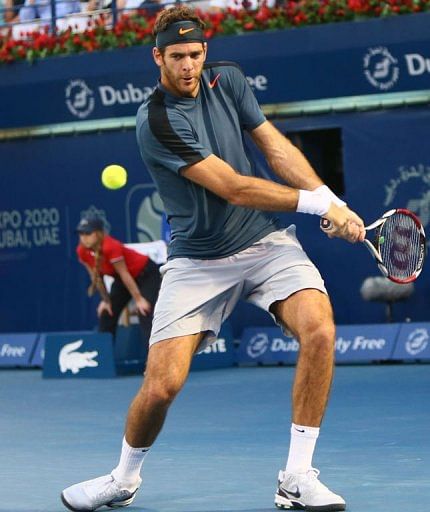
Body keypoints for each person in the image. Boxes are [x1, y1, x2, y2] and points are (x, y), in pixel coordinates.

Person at [61, 6, 365, 512]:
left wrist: (329, 196)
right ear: (157, 57)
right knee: (162, 387)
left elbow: (274, 147)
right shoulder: (155, 120)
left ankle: (296, 477)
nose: (187, 66)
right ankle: (123, 477)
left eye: (195, 54)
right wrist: (317, 205)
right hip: (198, 262)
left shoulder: (230, 82)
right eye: (176, 56)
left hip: (266, 245)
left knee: (320, 330)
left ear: (206, 52)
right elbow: (234, 187)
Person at [75, 213, 161, 347]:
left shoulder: (110, 246)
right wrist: (106, 300)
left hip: (147, 274)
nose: (84, 238)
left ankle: (154, 361)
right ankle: (104, 359)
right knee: (106, 313)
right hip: (122, 280)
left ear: (98, 233)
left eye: (88, 233)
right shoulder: (81, 251)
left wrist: (138, 300)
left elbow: (125, 274)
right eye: (81, 234)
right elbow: (96, 277)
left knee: (144, 311)